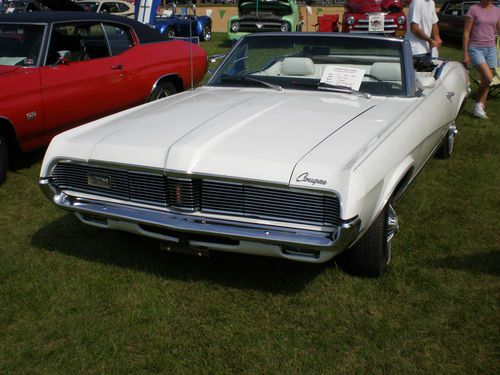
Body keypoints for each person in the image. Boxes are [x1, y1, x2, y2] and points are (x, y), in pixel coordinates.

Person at [462, 0, 500, 119]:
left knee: (486, 79)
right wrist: (465, 53)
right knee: (488, 77)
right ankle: (478, 105)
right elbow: (466, 32)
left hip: (491, 49)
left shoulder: (497, 10)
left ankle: (479, 107)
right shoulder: (473, 9)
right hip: (476, 48)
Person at [405, 0, 443, 64]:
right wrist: (430, 40)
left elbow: (434, 22)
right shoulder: (417, 2)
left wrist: (437, 37)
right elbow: (414, 28)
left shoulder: (431, 2)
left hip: (427, 50)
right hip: (415, 51)